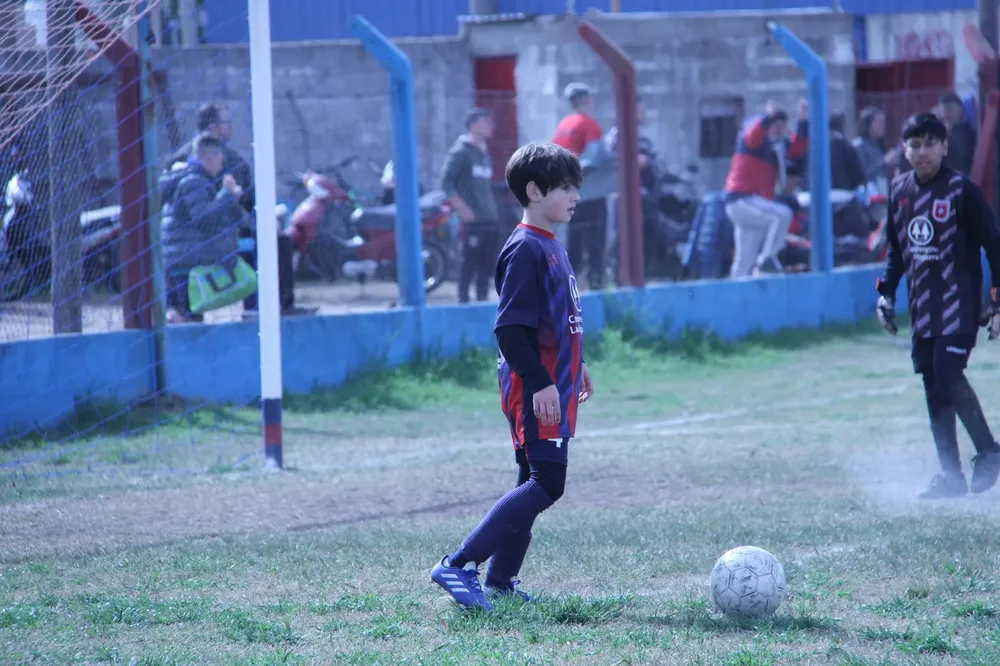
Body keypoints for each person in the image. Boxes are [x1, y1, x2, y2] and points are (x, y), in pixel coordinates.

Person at [429, 142, 595, 611]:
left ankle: (500, 582)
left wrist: (574, 362)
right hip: (535, 387)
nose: (574, 195)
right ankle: (459, 564)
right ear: (534, 190)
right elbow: (509, 328)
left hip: (554, 381)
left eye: (575, 187)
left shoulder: (550, 245)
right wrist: (541, 380)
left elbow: (551, 320)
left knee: (531, 475)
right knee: (548, 482)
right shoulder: (525, 249)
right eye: (565, 187)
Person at [875, 112, 1000, 500]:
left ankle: (991, 452)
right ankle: (951, 476)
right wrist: (886, 292)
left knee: (947, 372)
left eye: (930, 144)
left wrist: (995, 301)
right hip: (922, 308)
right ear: (904, 149)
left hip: (960, 304)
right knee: (933, 384)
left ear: (944, 147)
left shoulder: (962, 191)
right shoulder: (899, 191)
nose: (922, 152)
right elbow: (897, 250)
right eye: (915, 144)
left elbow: (994, 246)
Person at [160, 133, 245, 323]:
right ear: (208, 158)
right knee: (189, 323)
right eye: (219, 156)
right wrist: (227, 194)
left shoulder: (197, 178)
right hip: (187, 261)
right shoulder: (193, 181)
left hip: (184, 257)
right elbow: (204, 219)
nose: (223, 160)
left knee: (188, 318)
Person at [723, 98, 808, 277]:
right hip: (741, 199)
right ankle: (766, 261)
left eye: (782, 126)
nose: (778, 130)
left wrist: (802, 120)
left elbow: (798, 147)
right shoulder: (753, 140)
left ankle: (737, 297)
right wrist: (769, 116)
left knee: (744, 260)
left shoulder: (776, 147)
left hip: (753, 206)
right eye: (775, 125)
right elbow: (756, 132)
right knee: (782, 215)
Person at [552, 82, 609, 289]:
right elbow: (595, 158)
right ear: (586, 100)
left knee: (574, 241)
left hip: (568, 194)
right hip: (591, 193)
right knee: (595, 242)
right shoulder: (589, 124)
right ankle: (596, 286)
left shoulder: (564, 125)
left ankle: (570, 286)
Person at [441, 108, 501, 303]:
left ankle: (482, 301)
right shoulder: (460, 152)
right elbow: (446, 183)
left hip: (489, 216)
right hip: (472, 218)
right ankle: (463, 302)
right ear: (473, 125)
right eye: (485, 122)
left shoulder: (484, 154)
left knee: (487, 264)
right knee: (470, 261)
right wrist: (462, 208)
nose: (490, 127)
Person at [938, 93, 977, 176]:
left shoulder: (968, 133)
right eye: (944, 109)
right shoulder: (937, 132)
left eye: (951, 109)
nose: (948, 113)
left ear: (960, 110)